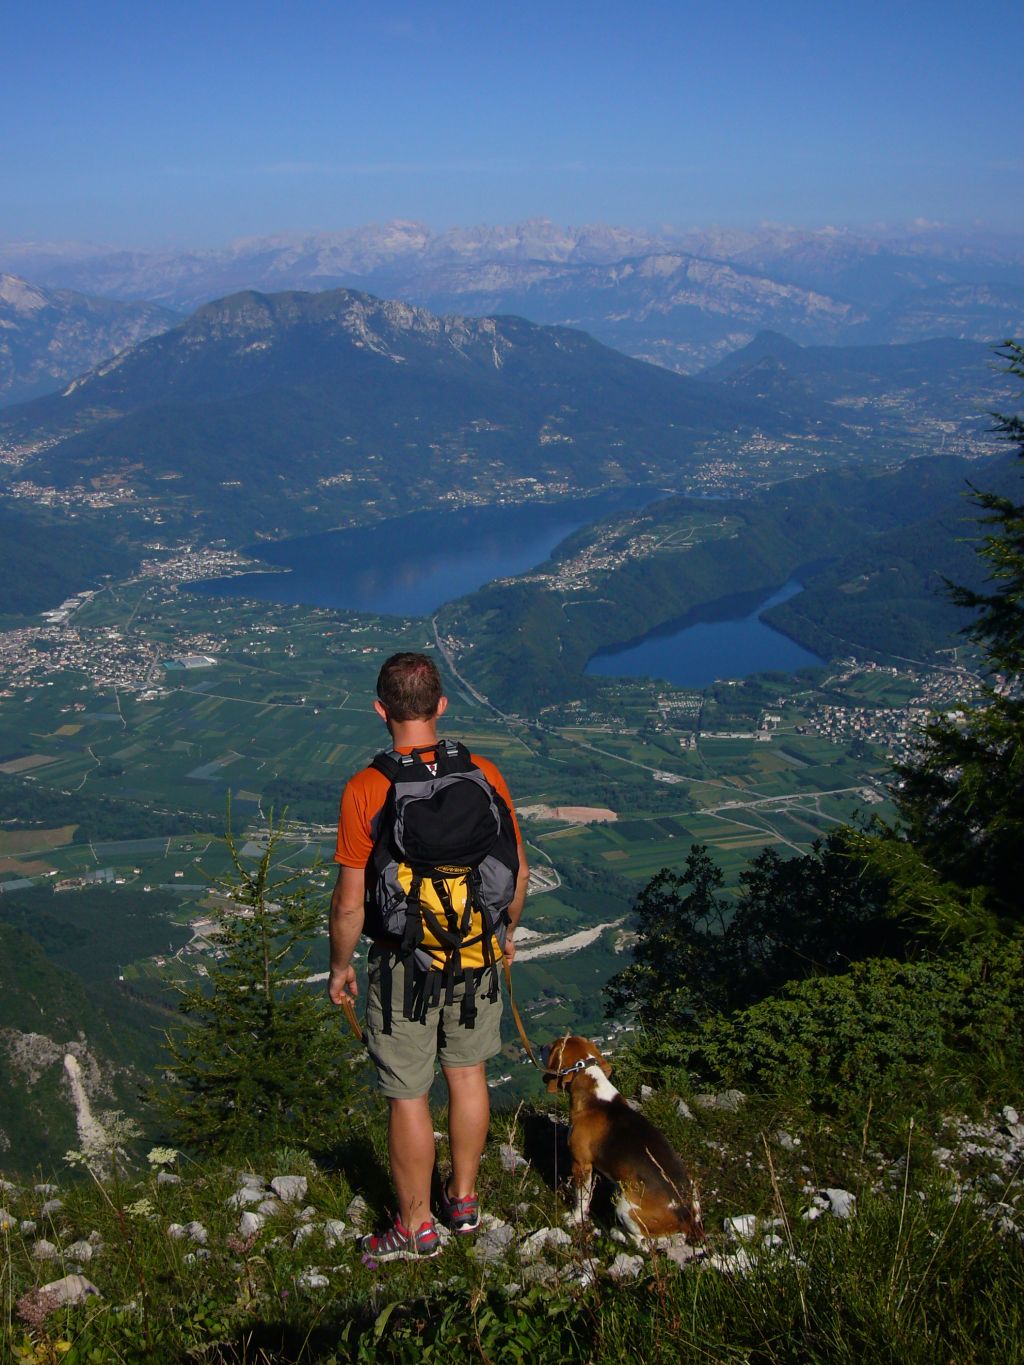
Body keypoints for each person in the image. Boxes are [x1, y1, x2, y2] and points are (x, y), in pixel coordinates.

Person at [329, 651, 528, 1261]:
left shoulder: (368, 789)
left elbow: (350, 904)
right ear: (441, 706)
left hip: (402, 965)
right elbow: (514, 871)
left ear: (380, 710)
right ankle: (464, 1203)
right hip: (476, 954)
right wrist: (503, 934)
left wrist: (339, 967)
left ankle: (416, 1228)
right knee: (467, 1075)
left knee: (408, 1094)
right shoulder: (485, 775)